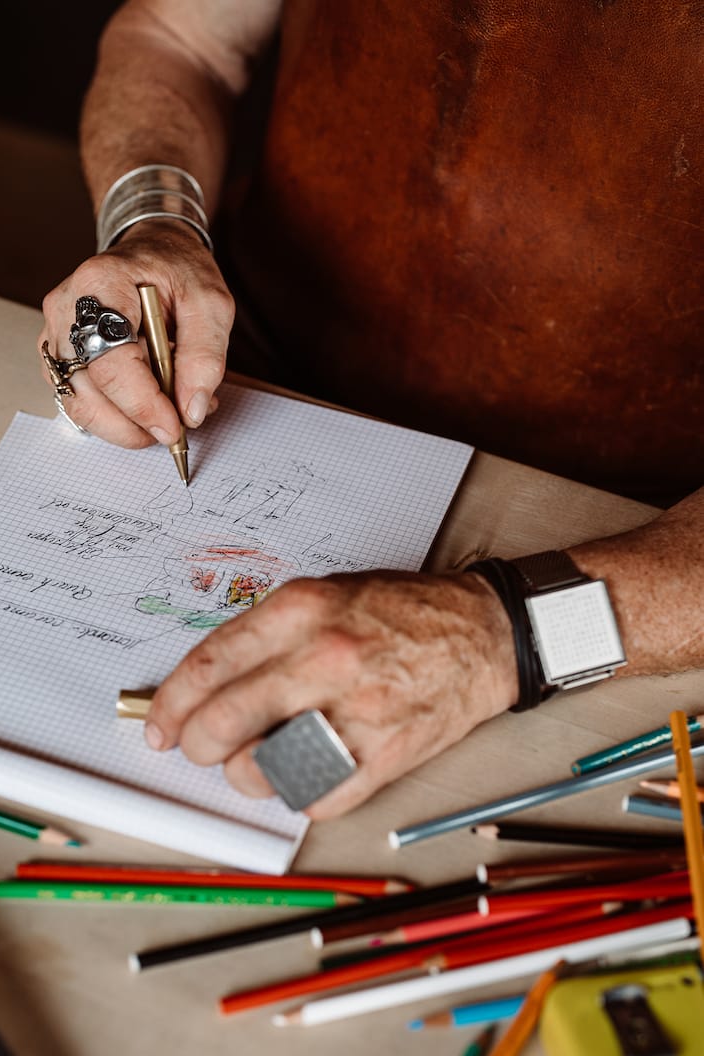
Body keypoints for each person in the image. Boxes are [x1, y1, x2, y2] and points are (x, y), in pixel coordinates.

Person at [38, 0, 703, 820]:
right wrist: (155, 226)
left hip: (633, 516)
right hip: (257, 378)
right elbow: (179, 39)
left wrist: (508, 636)